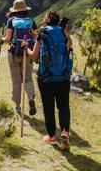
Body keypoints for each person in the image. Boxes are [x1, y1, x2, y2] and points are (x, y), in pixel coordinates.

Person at [24, 11, 73, 149]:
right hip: (63, 76)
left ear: (46, 21)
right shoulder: (62, 33)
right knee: (63, 106)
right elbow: (69, 44)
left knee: (48, 107)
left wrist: (26, 48)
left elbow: (34, 56)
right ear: (58, 21)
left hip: (45, 77)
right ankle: (65, 132)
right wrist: (64, 30)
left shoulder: (43, 33)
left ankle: (51, 136)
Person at [0, 0, 37, 115]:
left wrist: (1, 38)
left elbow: (8, 39)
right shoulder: (31, 21)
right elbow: (36, 38)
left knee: (16, 81)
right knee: (28, 79)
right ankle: (31, 99)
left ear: (14, 10)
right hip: (28, 52)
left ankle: (17, 106)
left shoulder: (11, 21)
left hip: (14, 53)